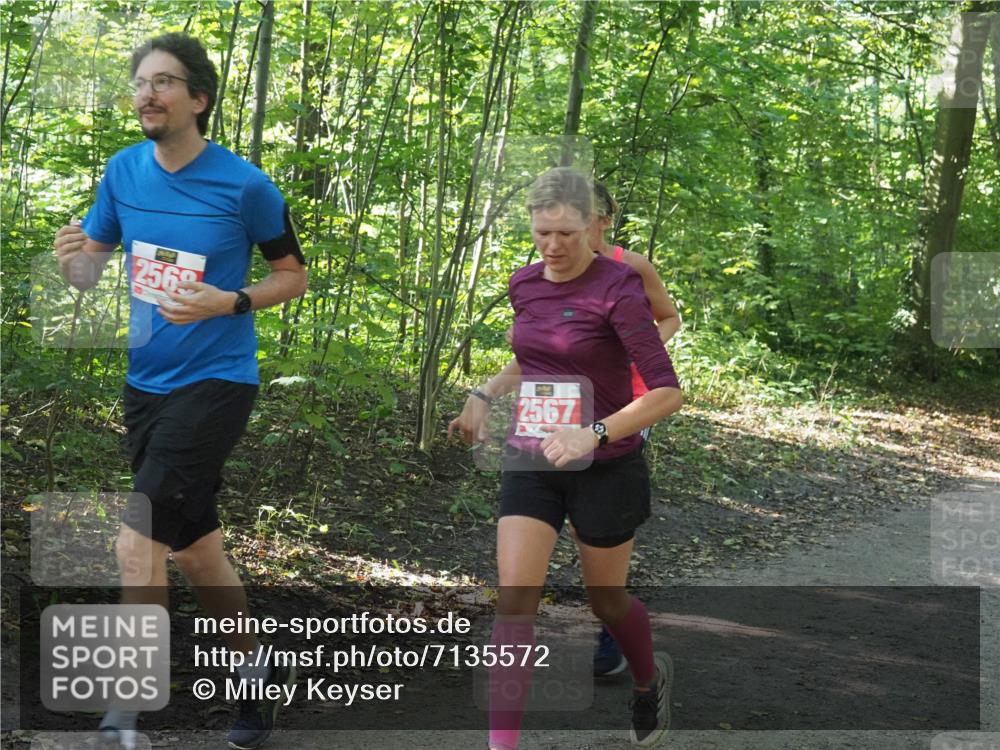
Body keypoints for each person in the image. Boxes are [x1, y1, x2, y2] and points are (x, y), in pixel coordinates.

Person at [53, 33, 307, 750]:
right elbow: (89, 273)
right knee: (195, 550)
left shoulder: (247, 186)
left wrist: (230, 302)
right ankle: (258, 674)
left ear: (198, 99)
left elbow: (293, 275)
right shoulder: (122, 172)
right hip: (145, 385)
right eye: (140, 82)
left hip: (217, 380)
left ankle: (124, 715)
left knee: (138, 540)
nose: (147, 93)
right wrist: (71, 258)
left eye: (164, 82)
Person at [449, 167, 683, 748]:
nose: (552, 247)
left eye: (565, 234)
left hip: (606, 462)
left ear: (593, 228)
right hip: (534, 457)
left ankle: (649, 680)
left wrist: (594, 433)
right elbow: (535, 357)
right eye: (541, 233)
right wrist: (483, 395)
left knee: (606, 598)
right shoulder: (524, 283)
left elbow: (666, 391)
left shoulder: (620, 287)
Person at [589, 181, 681, 678]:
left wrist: (635, 346)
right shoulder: (552, 263)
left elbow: (668, 317)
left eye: (584, 215)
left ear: (605, 219)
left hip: (627, 401)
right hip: (566, 402)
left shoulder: (633, 265)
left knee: (598, 506)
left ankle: (610, 627)